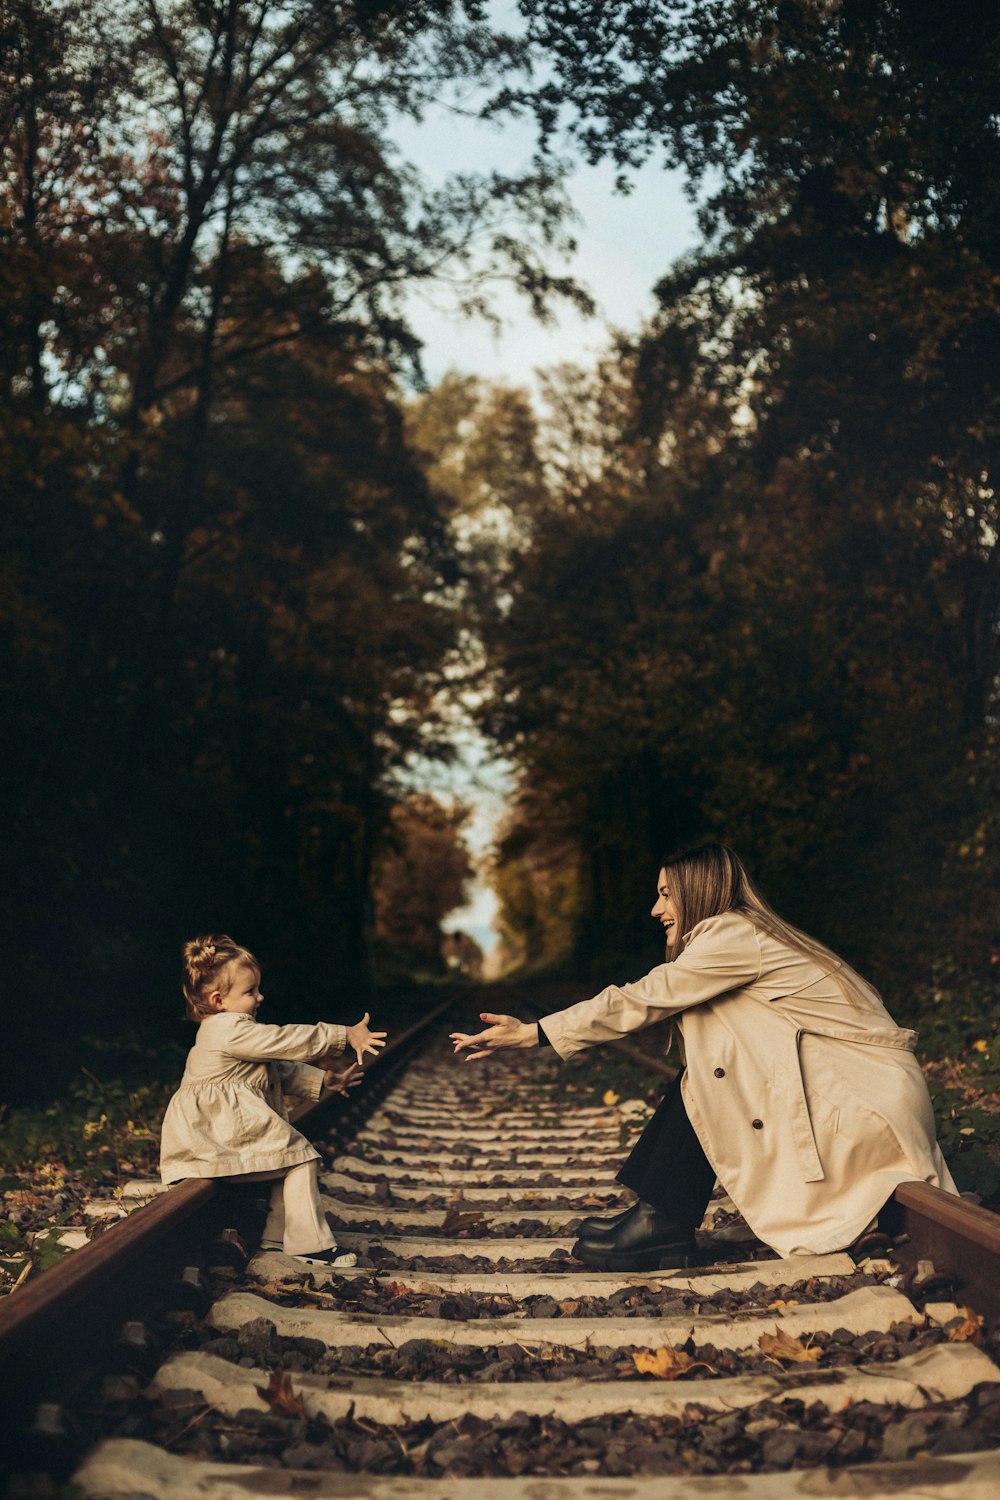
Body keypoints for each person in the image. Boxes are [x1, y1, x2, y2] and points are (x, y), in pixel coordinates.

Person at [451, 843, 957, 1270]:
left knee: (711, 1077)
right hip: (861, 1094)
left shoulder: (733, 934)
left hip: (861, 1105)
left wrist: (536, 1033)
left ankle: (661, 1220)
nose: (656, 909)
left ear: (698, 893)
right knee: (707, 1071)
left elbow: (641, 998)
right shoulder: (743, 934)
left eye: (666, 894)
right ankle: (656, 1212)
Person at [160, 934, 386, 1267]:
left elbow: (274, 1068)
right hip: (218, 1132)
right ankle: (310, 1245)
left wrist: (324, 1079)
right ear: (219, 999)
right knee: (299, 1157)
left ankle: (279, 1237)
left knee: (289, 1159)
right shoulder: (229, 1028)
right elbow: (283, 1041)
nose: (260, 997)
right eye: (250, 991)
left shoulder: (224, 1029)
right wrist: (342, 1035)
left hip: (213, 1132)